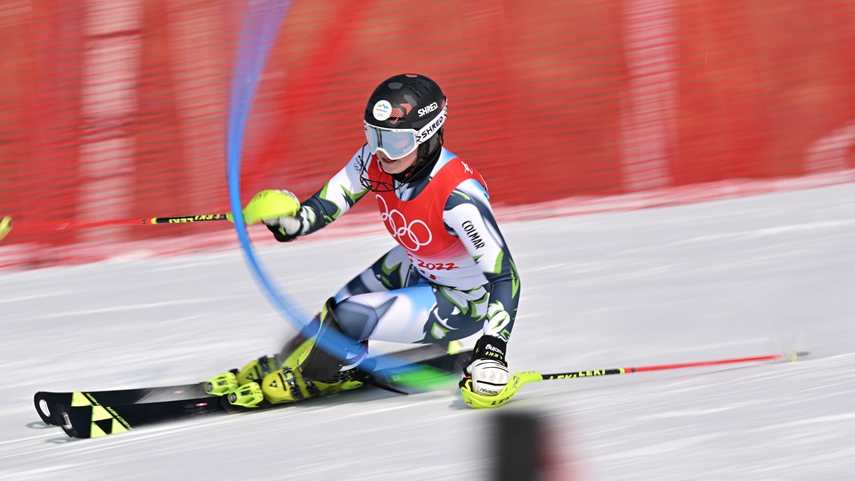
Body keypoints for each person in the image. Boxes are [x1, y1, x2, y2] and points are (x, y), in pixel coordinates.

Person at [214, 73, 521, 406]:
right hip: (418, 263)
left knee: (350, 317)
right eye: (374, 136)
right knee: (335, 308)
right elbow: (321, 209)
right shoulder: (373, 160)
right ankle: (287, 359)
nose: (381, 152)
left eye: (395, 142)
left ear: (428, 136)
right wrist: (287, 220)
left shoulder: (458, 194)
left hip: (462, 301)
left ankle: (318, 376)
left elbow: (505, 275)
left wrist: (492, 350)